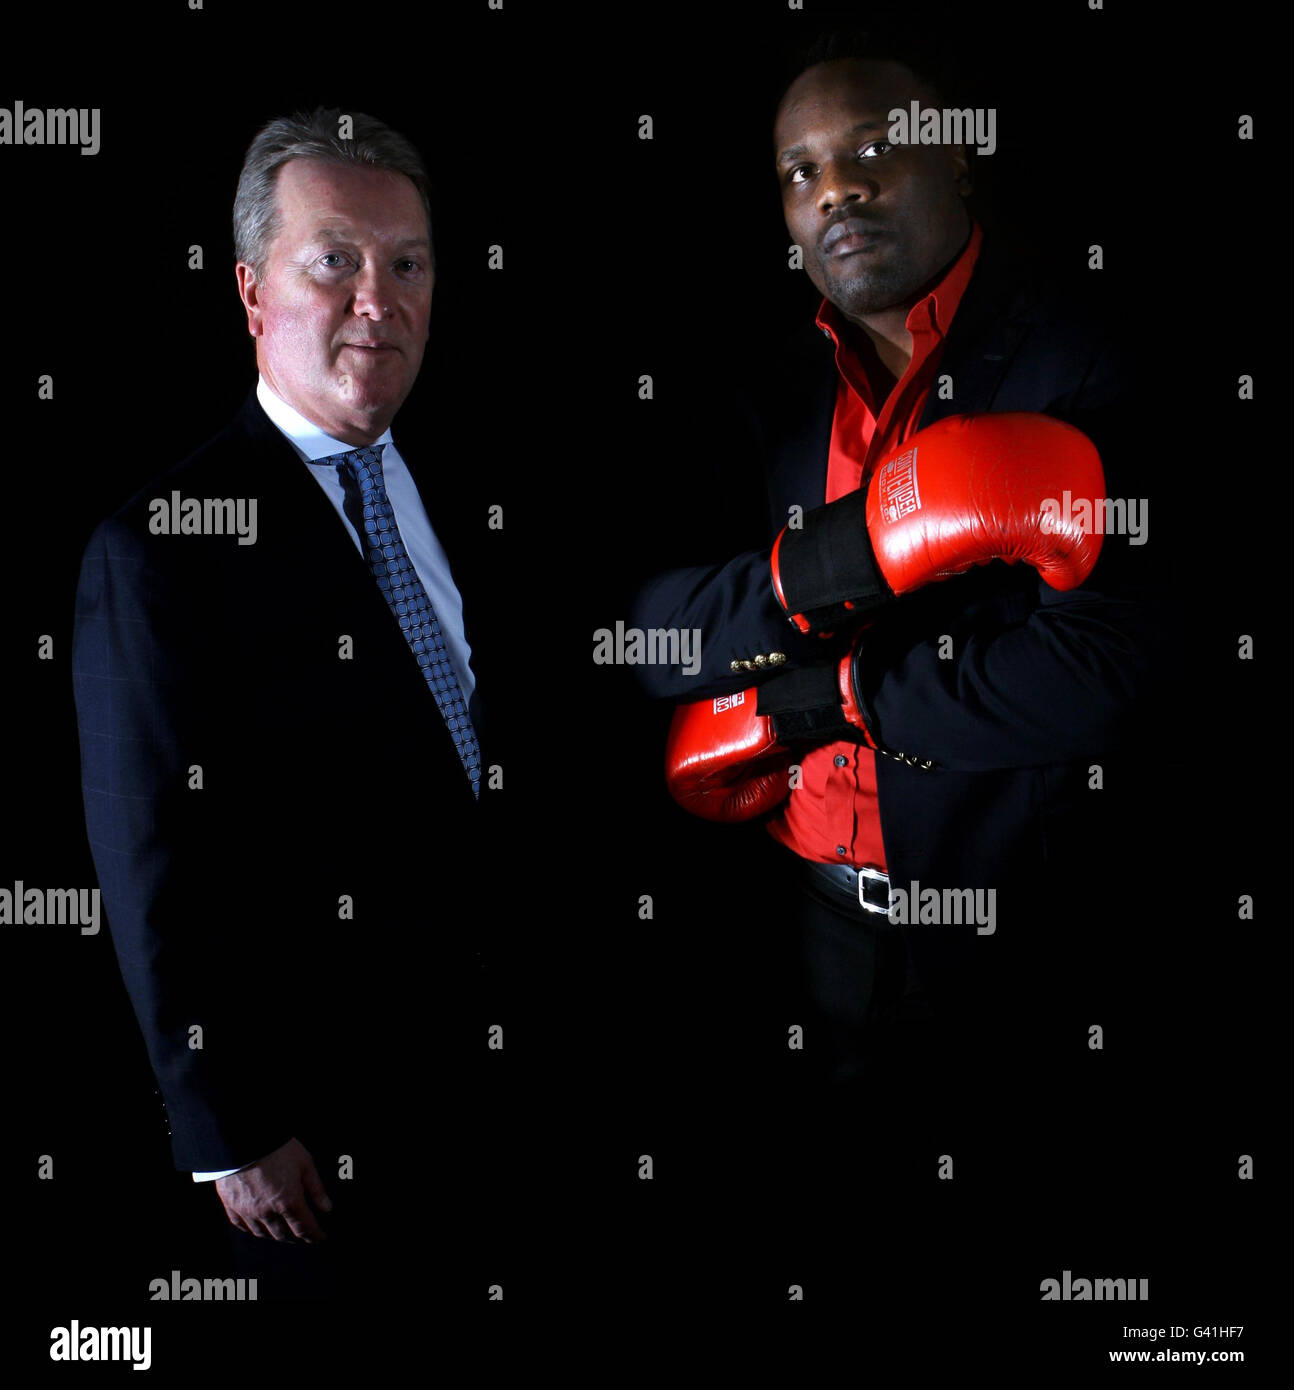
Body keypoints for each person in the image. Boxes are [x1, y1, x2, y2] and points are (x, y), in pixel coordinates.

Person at [629, 36, 1160, 1133]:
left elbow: (1108, 663)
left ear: (959, 159)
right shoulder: (759, 388)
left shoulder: (1088, 358)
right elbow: (646, 631)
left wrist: (831, 700)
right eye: (800, 171)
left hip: (1017, 937)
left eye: (874, 149)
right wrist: (854, 552)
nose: (839, 188)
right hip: (803, 921)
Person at [71, 108, 498, 1296]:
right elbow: (149, 859)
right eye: (337, 261)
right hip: (317, 1128)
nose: (379, 297)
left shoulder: (467, 476)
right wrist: (224, 1129)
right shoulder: (160, 550)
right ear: (254, 293)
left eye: (407, 264)